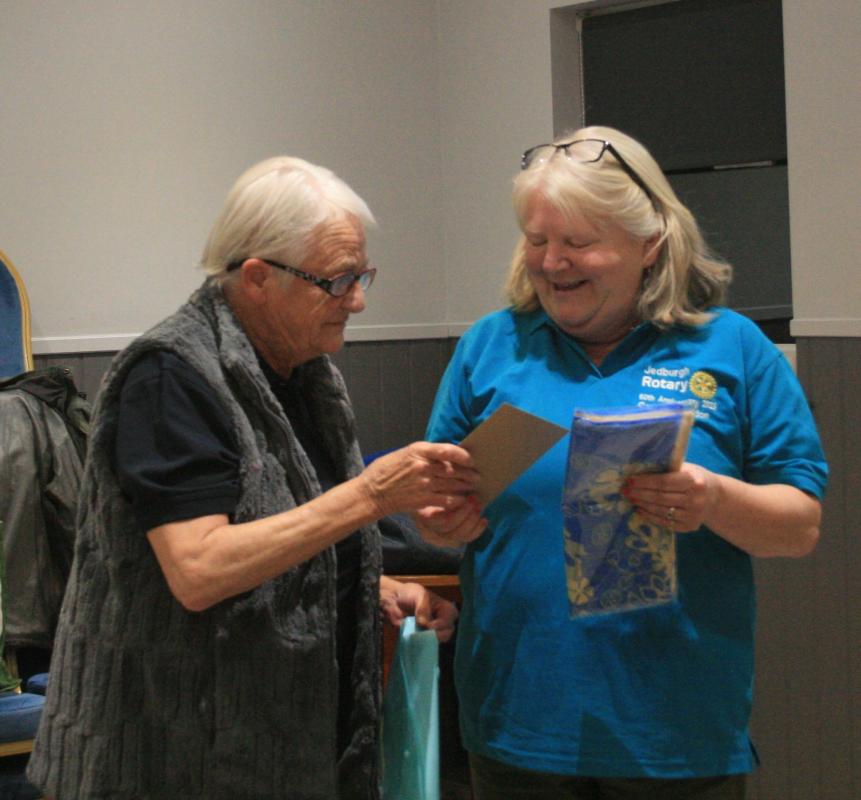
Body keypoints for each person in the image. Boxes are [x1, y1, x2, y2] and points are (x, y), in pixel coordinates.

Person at [27, 156, 479, 800]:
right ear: (259, 277)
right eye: (338, 280)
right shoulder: (170, 376)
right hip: (167, 757)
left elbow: (274, 532)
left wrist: (367, 585)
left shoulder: (303, 368)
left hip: (276, 749)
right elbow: (200, 569)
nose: (358, 299)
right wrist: (371, 496)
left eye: (362, 274)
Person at [416, 126, 828, 799]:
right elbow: (439, 503)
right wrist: (439, 520)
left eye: (578, 242)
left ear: (650, 243)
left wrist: (713, 500)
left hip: (672, 732)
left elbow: (799, 526)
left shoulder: (730, 349)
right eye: (537, 239)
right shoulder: (490, 347)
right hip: (517, 722)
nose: (552, 263)